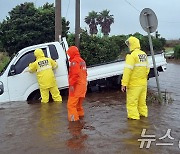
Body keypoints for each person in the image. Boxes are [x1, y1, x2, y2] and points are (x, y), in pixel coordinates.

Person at [121, 36, 150, 120]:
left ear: (131, 45)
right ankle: (144, 120)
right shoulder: (143, 54)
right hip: (143, 84)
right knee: (142, 104)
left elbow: (127, 71)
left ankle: (135, 126)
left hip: (134, 85)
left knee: (132, 104)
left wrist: (124, 84)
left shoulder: (131, 56)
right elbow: (147, 69)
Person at [66, 46, 88, 121]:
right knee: (78, 105)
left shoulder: (74, 62)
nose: (68, 55)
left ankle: (74, 122)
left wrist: (71, 85)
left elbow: (74, 75)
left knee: (71, 105)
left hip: (76, 87)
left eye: (69, 54)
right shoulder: (82, 61)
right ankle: (81, 118)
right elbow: (85, 73)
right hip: (83, 86)